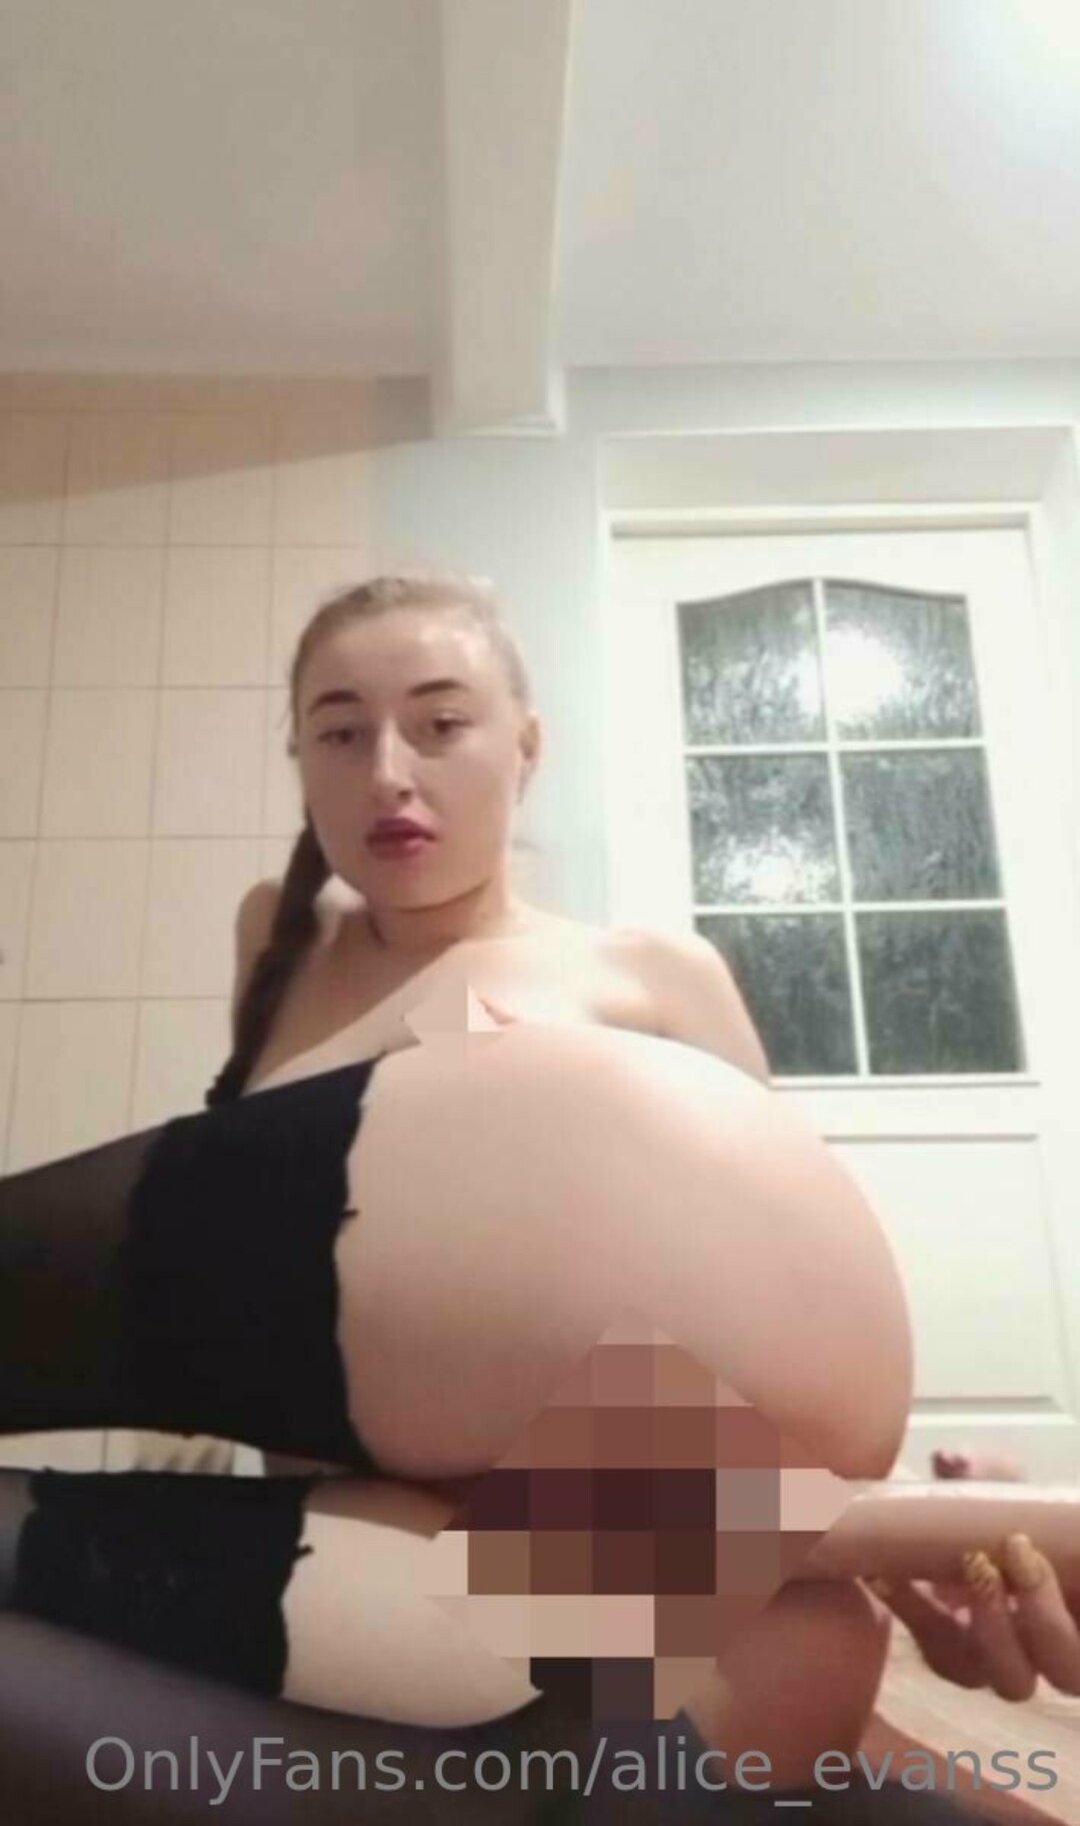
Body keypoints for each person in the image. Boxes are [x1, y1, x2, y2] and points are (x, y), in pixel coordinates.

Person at [0, 570, 1072, 1823]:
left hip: (554, 1553)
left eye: (440, 723)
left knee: (809, 1633)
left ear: (526, 743)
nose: (390, 773)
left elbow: (772, 1334)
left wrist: (926, 1530)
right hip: (355, 1547)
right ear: (299, 761)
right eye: (341, 734)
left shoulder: (650, 974)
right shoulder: (277, 946)